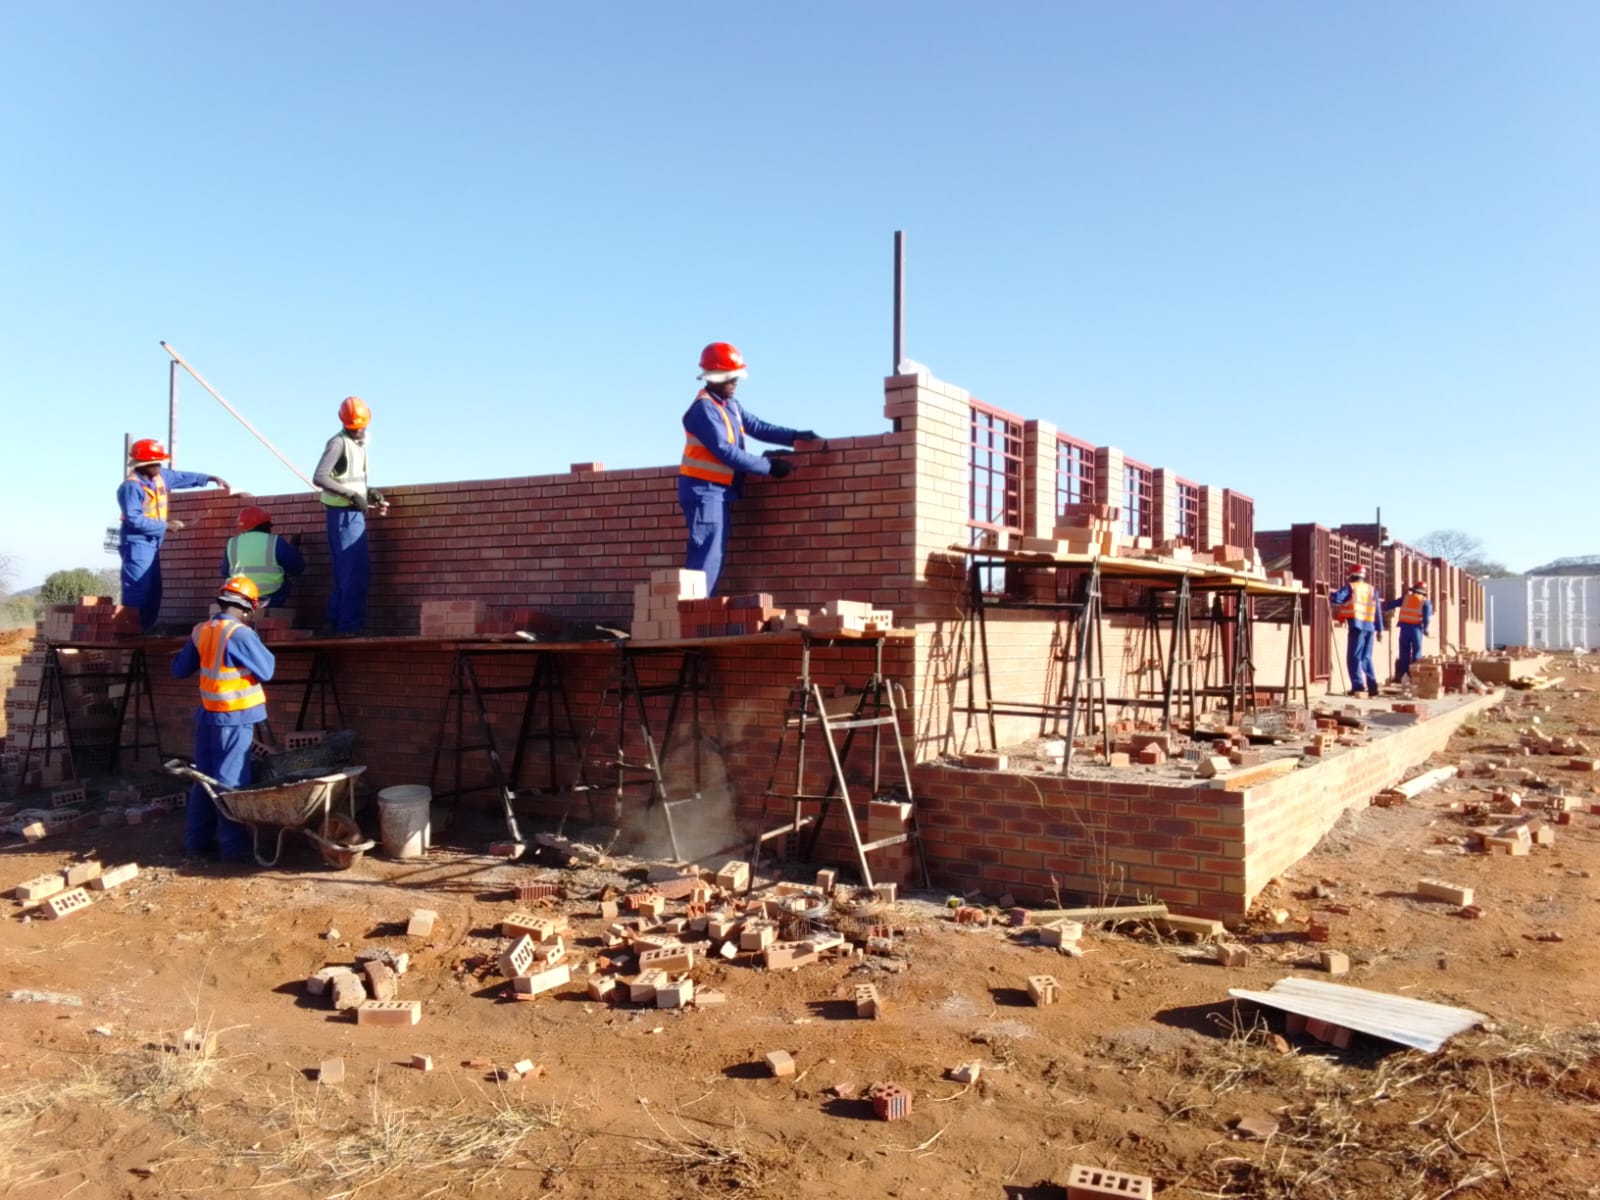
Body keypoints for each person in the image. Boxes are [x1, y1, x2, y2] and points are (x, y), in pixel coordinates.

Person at [678, 342, 816, 595]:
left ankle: (698, 610)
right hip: (704, 491)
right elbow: (725, 451)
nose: (736, 382)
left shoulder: (730, 405)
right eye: (732, 378)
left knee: (712, 555)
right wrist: (768, 466)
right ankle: (691, 611)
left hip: (717, 492)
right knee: (706, 558)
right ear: (716, 377)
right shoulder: (704, 409)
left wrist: (794, 436)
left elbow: (758, 426)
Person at [172, 576, 276, 862]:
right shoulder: (239, 634)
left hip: (207, 717)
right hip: (233, 717)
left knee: (204, 781)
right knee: (231, 783)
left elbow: (179, 670)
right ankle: (234, 849)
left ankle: (197, 842)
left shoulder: (201, 630)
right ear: (247, 608)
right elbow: (267, 670)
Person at [117, 438, 230, 632]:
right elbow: (134, 519)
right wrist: (166, 526)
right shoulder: (131, 487)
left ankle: (145, 629)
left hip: (152, 543)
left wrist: (209, 478)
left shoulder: (159, 477)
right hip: (137, 543)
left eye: (160, 462)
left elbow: (181, 477)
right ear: (143, 464)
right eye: (155, 463)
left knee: (154, 589)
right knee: (138, 588)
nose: (159, 467)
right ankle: (131, 630)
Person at [313, 396, 388, 635]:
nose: (359, 431)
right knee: (354, 572)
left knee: (347, 572)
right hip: (344, 515)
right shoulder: (339, 443)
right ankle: (348, 628)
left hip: (349, 514)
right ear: (345, 423)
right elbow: (320, 477)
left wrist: (368, 492)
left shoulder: (357, 445)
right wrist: (352, 495)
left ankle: (333, 623)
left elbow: (349, 479)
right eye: (355, 427)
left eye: (361, 427)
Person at [221, 505, 306, 611]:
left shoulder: (232, 543)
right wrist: (294, 547)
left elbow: (225, 573)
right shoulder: (274, 541)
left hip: (237, 597)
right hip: (269, 598)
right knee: (285, 580)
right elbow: (297, 568)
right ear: (265, 525)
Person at [1330, 565, 1384, 698]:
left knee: (1353, 658)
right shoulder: (1372, 589)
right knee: (1366, 657)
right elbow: (1378, 610)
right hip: (1370, 627)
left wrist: (1328, 592)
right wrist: (1380, 630)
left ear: (1351, 575)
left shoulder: (1351, 587)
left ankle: (1358, 686)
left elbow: (1337, 598)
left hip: (1357, 627)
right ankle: (1372, 687)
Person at [1384, 581, 1433, 685]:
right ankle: (1414, 676)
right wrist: (1426, 630)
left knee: (1404, 653)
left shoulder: (1406, 598)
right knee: (1416, 653)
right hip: (1416, 629)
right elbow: (1426, 619)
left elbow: (1392, 604)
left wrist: (1383, 608)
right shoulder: (1425, 602)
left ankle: (1404, 676)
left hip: (1404, 629)